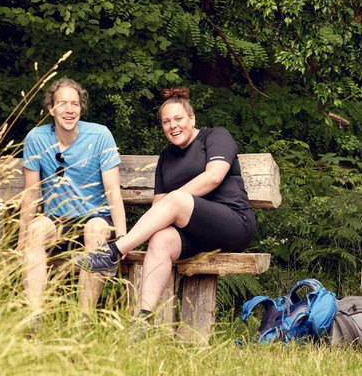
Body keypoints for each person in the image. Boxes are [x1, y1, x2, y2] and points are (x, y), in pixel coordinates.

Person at [78, 87, 256, 322]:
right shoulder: (167, 157)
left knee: (176, 199)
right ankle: (142, 319)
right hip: (194, 235)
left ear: (192, 118)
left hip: (234, 225)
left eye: (179, 119)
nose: (173, 126)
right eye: (166, 122)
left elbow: (214, 176)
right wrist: (171, 207)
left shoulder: (216, 136)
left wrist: (175, 202)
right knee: (160, 239)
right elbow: (159, 206)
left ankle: (115, 251)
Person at [18, 77, 127, 323]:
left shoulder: (100, 135)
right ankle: (34, 316)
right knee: (35, 231)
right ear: (51, 109)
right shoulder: (36, 138)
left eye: (75, 104)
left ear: (81, 108)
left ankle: (84, 318)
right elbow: (31, 193)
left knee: (96, 230)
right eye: (63, 104)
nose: (69, 110)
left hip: (95, 216)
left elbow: (113, 192)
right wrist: (22, 237)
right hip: (56, 219)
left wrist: (122, 238)